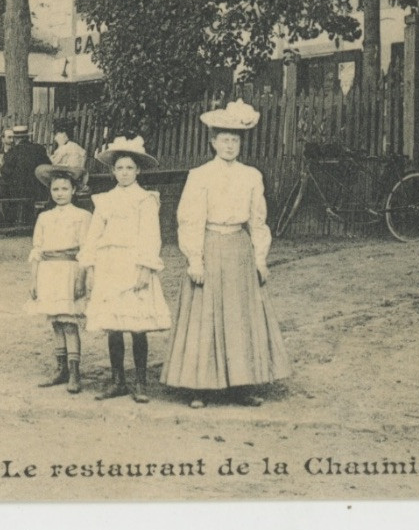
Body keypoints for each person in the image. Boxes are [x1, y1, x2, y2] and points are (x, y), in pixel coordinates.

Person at [164, 100, 290, 407]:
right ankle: (200, 387)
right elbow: (190, 218)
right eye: (224, 139)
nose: (230, 145)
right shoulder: (200, 175)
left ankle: (241, 385)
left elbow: (257, 219)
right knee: (205, 316)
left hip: (239, 248)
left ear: (241, 143)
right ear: (213, 142)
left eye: (235, 140)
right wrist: (195, 259)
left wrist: (260, 258)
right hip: (209, 244)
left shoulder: (251, 176)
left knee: (239, 316)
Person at [81, 136, 171, 402]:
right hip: (110, 264)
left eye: (129, 168)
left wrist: (145, 268)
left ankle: (141, 382)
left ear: (138, 171)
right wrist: (91, 266)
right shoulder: (105, 200)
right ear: (112, 171)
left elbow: (151, 236)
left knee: (137, 324)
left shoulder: (145, 200)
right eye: (119, 168)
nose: (124, 173)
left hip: (134, 264)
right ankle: (118, 380)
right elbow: (94, 235)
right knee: (113, 324)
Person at [29, 164, 92, 394]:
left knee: (69, 322)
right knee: (56, 321)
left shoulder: (83, 217)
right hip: (49, 272)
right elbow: (37, 249)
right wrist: (34, 280)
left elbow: (86, 251)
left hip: (69, 271)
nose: (60, 193)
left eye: (65, 189)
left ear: (74, 190)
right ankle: (61, 368)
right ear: (50, 191)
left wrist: (81, 279)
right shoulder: (44, 217)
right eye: (55, 189)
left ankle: (75, 371)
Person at [0, 124, 52, 230]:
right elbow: (48, 167)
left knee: (0, 190)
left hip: (18, 192)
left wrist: (1, 165)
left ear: (15, 138)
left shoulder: (12, 152)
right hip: (40, 191)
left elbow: (5, 172)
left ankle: (8, 225)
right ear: (28, 136)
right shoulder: (39, 149)